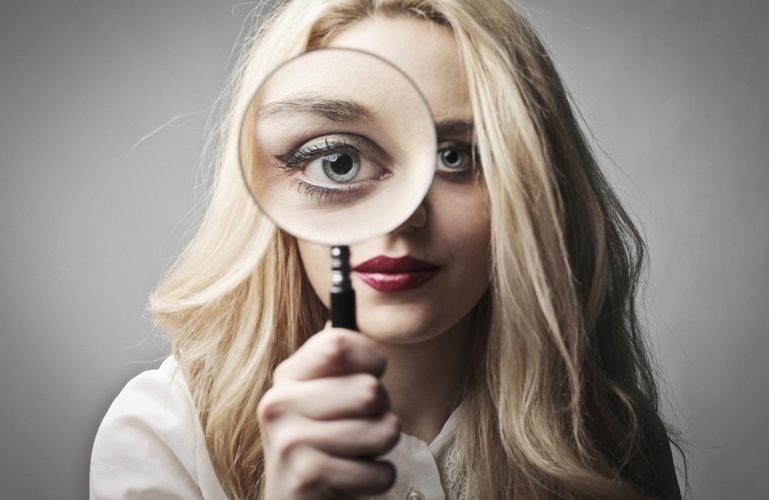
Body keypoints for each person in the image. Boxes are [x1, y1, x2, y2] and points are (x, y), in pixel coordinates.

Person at [90, 0, 686, 498]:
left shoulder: (606, 433)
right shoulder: (165, 433)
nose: (403, 221)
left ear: (533, 189)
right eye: (340, 160)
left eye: (456, 156)